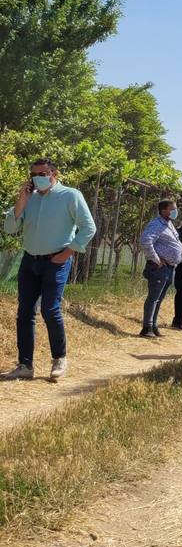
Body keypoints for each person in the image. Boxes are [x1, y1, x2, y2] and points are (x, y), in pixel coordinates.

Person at [1, 158, 96, 381]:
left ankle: (59, 359)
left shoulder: (71, 195)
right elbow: (10, 229)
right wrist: (20, 202)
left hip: (56, 260)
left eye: (43, 174)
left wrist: (67, 253)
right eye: (34, 174)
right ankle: (25, 365)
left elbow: (88, 227)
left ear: (55, 173)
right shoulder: (28, 198)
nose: (38, 178)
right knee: (24, 312)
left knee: (50, 309)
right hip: (29, 261)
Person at [138, 199, 182, 338]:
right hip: (159, 268)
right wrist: (156, 259)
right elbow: (145, 241)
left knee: (159, 298)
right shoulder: (156, 224)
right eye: (173, 209)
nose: (175, 211)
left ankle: (153, 325)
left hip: (170, 268)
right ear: (164, 210)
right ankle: (146, 327)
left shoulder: (169, 225)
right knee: (153, 297)